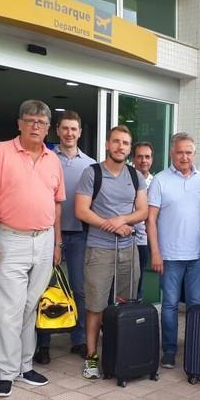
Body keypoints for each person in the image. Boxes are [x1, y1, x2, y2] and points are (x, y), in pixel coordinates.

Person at [0, 100, 64, 397]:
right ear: (19, 123)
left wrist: (57, 243)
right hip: (10, 238)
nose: (35, 126)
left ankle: (24, 365)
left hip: (44, 240)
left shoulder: (53, 159)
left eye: (41, 122)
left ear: (48, 128)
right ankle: (6, 371)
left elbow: (57, 204)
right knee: (7, 309)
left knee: (31, 306)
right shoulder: (1, 152)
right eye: (30, 120)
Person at [75, 126, 148, 380]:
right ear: (107, 144)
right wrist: (111, 225)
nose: (120, 146)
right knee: (95, 306)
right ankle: (92, 358)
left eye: (125, 143)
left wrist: (122, 220)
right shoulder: (92, 172)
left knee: (125, 305)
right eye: (116, 141)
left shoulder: (135, 175)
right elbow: (81, 210)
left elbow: (143, 211)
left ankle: (120, 353)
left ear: (129, 148)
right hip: (99, 250)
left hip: (129, 250)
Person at [34, 110, 95, 364]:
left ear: (79, 133)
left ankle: (78, 339)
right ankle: (43, 343)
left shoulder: (90, 165)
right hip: (50, 234)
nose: (69, 133)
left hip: (80, 235)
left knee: (79, 289)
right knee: (45, 289)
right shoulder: (46, 158)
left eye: (74, 129)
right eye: (65, 128)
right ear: (57, 130)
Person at [146, 133, 200, 369]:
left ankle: (194, 347)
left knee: (196, 304)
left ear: (194, 154)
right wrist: (155, 252)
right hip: (169, 256)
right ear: (172, 153)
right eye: (180, 152)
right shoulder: (160, 180)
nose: (184, 157)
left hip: (198, 255)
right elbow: (150, 219)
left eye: (188, 152)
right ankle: (170, 350)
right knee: (170, 305)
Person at [132, 141, 154, 300]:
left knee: (140, 278)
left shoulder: (156, 182)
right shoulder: (126, 178)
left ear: (152, 159)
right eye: (140, 157)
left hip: (147, 239)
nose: (143, 160)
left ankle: (137, 307)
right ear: (134, 159)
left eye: (147, 157)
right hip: (128, 238)